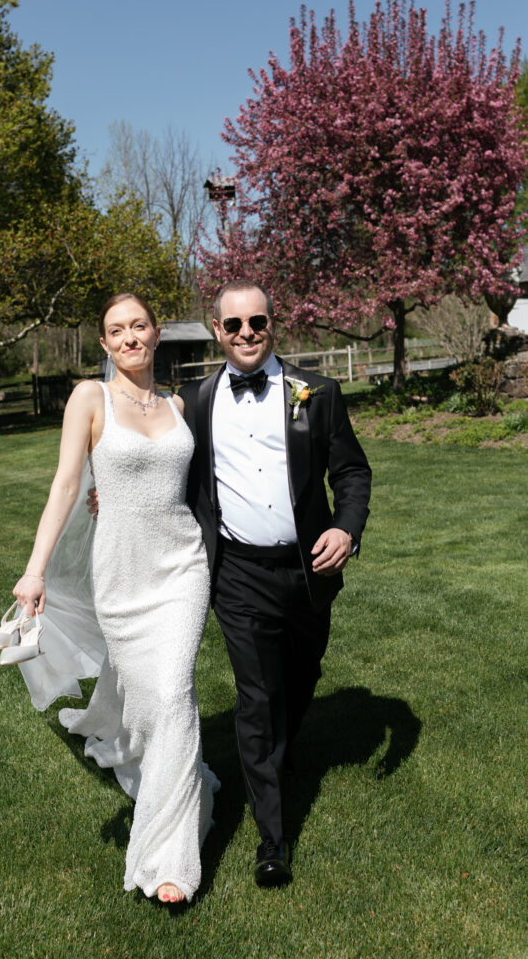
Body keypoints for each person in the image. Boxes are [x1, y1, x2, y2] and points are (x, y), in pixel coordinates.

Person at [4, 292, 218, 905]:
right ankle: (188, 785)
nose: (129, 337)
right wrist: (35, 570)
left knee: (174, 692)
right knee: (155, 705)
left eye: (139, 326)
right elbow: (68, 482)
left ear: (157, 334)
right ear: (104, 343)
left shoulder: (179, 404)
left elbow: (198, 485)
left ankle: (169, 860)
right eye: (116, 330)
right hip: (122, 578)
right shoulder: (88, 398)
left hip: (182, 566)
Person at [177, 279, 372, 889]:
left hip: (311, 569)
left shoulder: (317, 394)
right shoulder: (196, 402)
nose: (246, 334)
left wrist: (346, 529)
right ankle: (272, 840)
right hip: (238, 574)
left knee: (301, 674)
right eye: (233, 325)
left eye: (257, 322)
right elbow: (159, 462)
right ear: (217, 331)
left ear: (272, 324)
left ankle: (279, 753)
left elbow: (353, 472)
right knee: (257, 699)